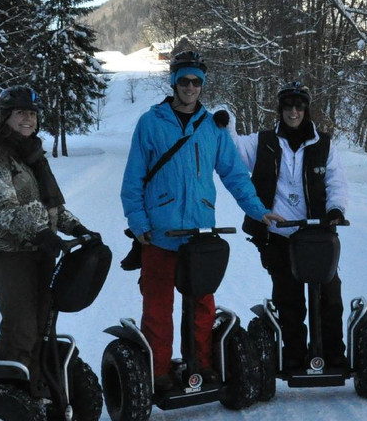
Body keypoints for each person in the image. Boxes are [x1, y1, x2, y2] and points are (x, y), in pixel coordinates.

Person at [121, 50, 282, 392]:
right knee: (158, 307)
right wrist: (139, 224)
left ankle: (203, 366)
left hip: (200, 234)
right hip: (159, 234)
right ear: (174, 82)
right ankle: (160, 372)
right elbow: (132, 182)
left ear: (202, 84)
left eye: (197, 81)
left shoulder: (213, 128)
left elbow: (235, 175)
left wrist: (258, 210)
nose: (191, 87)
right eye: (185, 80)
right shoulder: (151, 123)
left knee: (202, 305)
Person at [0, 85, 98, 398]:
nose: (27, 119)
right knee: (21, 327)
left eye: (31, 113)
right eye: (20, 114)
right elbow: (3, 211)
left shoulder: (32, 154)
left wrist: (77, 228)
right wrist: (42, 233)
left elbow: (49, 206)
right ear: (6, 118)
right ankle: (1, 399)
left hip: (40, 253)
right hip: (10, 257)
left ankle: (35, 392)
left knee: (41, 327)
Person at [232, 82, 350, 370]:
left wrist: (336, 208)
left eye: (299, 106)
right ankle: (294, 355)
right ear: (280, 109)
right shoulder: (263, 142)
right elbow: (231, 149)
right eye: (288, 106)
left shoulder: (323, 143)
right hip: (279, 236)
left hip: (317, 236)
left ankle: (332, 353)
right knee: (288, 298)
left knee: (329, 296)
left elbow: (336, 182)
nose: (293, 111)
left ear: (306, 109)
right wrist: (224, 120)